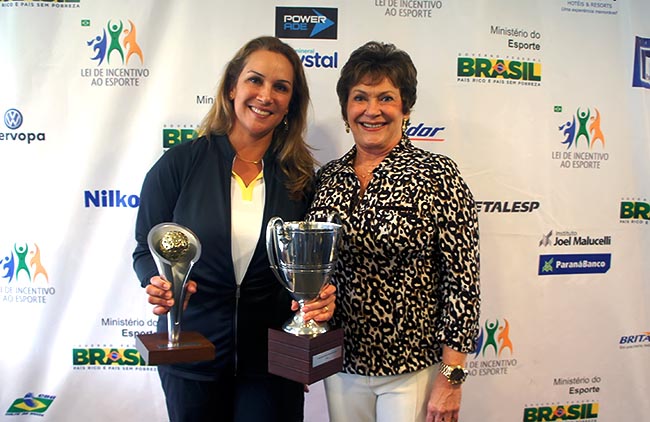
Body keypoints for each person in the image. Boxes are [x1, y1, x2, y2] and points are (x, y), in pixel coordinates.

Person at [132, 36, 336, 422]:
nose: (266, 95)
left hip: (275, 363)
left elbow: (313, 266)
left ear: (291, 103)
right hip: (192, 351)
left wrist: (320, 298)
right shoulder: (179, 164)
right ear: (232, 88)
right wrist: (156, 282)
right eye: (255, 81)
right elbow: (146, 249)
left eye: (281, 87)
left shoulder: (301, 178)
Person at [306, 41, 480, 422]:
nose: (372, 110)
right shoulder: (326, 179)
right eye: (360, 98)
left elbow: (463, 284)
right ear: (345, 109)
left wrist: (452, 379)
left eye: (385, 97)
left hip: (412, 368)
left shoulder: (438, 176)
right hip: (340, 364)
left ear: (406, 108)